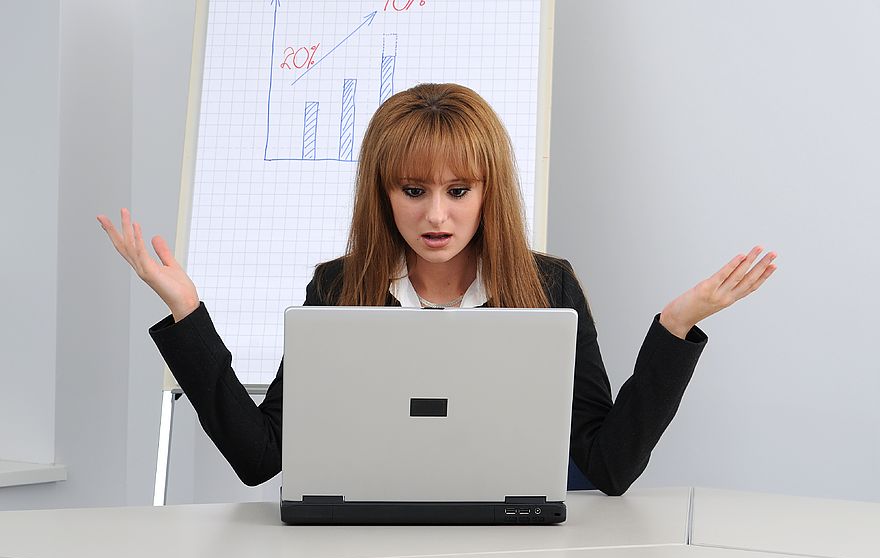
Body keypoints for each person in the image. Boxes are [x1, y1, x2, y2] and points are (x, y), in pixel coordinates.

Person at [97, 82, 777, 495]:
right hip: (366, 536)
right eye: (413, 190)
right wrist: (186, 311)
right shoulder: (339, 287)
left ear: (489, 192)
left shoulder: (548, 285)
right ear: (383, 194)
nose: (436, 215)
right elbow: (259, 456)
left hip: (513, 542)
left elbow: (608, 465)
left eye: (459, 190)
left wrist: (676, 326)